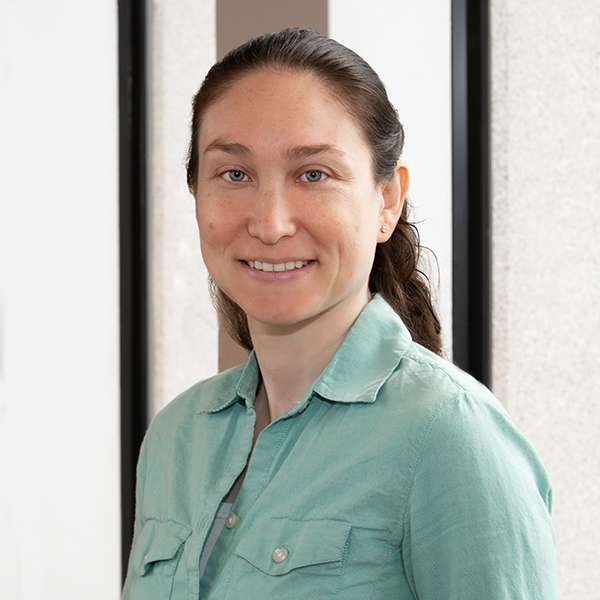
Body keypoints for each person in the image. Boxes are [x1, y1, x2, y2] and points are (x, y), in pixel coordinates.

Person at [122, 28, 556, 599]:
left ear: (387, 202)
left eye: (313, 175)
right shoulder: (176, 438)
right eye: (234, 174)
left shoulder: (452, 438)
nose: (270, 223)